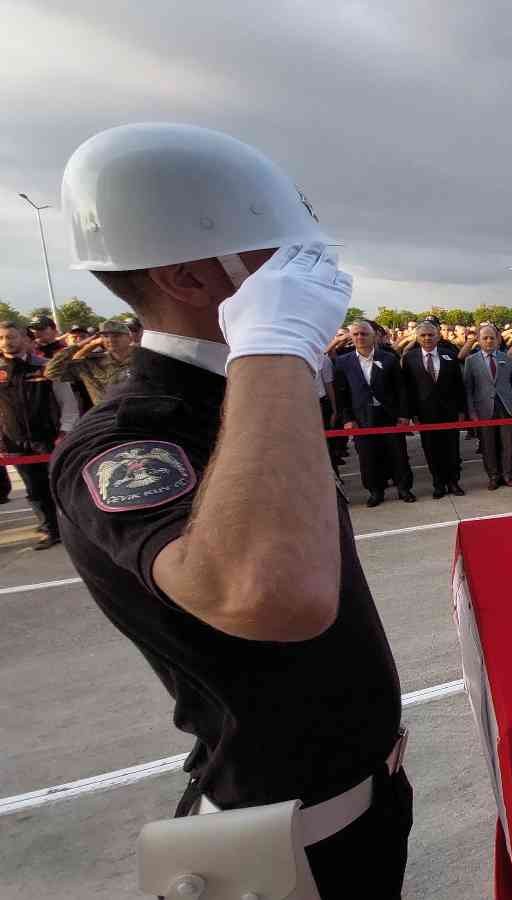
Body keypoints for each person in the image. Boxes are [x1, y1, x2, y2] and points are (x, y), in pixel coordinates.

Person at [51, 124, 408, 896]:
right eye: (283, 254)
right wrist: (274, 344)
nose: (315, 270)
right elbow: (271, 595)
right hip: (289, 847)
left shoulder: (245, 390)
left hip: (365, 803)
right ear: (187, 278)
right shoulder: (129, 439)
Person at [334, 320, 416, 507]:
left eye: (364, 334)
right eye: (356, 334)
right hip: (362, 417)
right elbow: (342, 393)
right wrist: (348, 419)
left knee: (398, 453)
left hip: (389, 415)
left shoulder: (388, 358)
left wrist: (404, 415)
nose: (360, 337)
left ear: (373, 336)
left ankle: (404, 488)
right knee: (368, 456)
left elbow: (401, 389)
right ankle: (375, 491)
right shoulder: (343, 362)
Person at [0, 321, 61, 547]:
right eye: (3, 338)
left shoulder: (45, 366)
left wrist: (66, 428)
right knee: (33, 488)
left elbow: (65, 400)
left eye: (11, 337)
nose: (7, 342)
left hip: (48, 436)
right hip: (13, 440)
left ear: (25, 340)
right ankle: (49, 530)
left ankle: (68, 527)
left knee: (57, 484)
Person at [399, 322, 467, 499]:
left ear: (438, 336)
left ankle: (453, 482)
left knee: (452, 449)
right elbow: (408, 388)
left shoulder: (450, 355)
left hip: (449, 412)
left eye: (431, 335)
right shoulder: (410, 358)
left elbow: (459, 385)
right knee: (431, 450)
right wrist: (411, 413)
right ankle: (438, 484)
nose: (427, 338)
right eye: (423, 335)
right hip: (424, 414)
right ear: (417, 338)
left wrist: (461, 410)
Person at [462, 324, 512, 489]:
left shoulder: (508, 358)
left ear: (498, 339)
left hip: (506, 407)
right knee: (488, 445)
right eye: (485, 338)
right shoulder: (471, 361)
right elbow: (468, 389)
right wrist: (472, 412)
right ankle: (493, 476)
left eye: (492, 338)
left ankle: (507, 475)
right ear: (479, 341)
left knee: (508, 444)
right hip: (483, 409)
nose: (489, 341)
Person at [43, 319, 136, 407]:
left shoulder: (145, 359)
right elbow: (51, 372)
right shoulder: (91, 363)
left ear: (129, 338)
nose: (110, 340)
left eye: (116, 335)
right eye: (105, 336)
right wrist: (82, 344)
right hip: (107, 417)